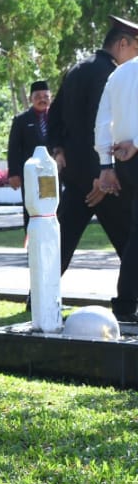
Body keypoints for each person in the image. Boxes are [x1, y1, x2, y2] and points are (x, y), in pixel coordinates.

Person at [47, 16, 138, 272]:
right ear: (122, 44)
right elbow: (97, 129)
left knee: (61, 243)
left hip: (76, 177)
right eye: (135, 50)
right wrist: (101, 174)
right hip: (101, 179)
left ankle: (39, 299)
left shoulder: (77, 68)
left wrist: (57, 149)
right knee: (129, 242)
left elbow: (53, 118)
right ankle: (129, 302)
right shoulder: (111, 75)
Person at [93, 54, 138, 323]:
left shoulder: (120, 72)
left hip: (124, 159)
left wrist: (105, 165)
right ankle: (125, 302)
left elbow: (102, 122)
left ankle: (125, 303)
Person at [7, 79, 53, 228]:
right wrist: (13, 173)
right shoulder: (21, 120)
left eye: (45, 96)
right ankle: (32, 243)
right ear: (30, 98)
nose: (42, 99)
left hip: (53, 174)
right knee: (32, 209)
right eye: (38, 96)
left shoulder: (57, 117)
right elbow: (13, 148)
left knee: (53, 209)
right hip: (31, 175)